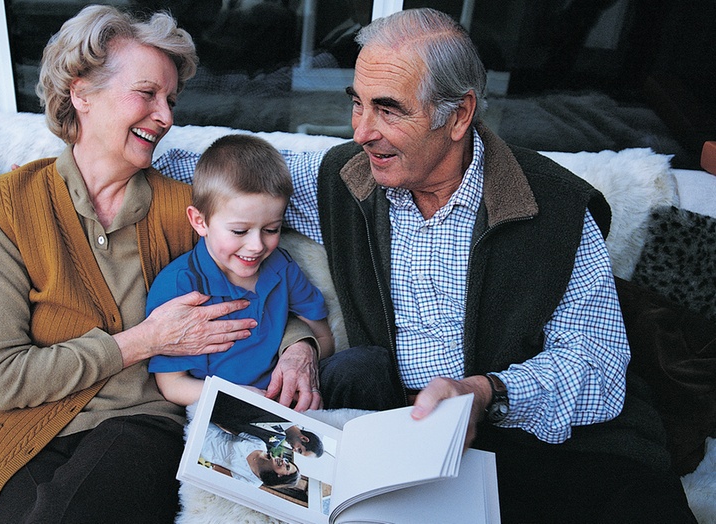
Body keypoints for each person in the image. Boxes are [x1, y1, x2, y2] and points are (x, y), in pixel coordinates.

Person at [156, 8, 696, 522]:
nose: (362, 130)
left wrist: (482, 392)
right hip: (397, 430)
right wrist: (119, 133)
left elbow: (596, 367)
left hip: (529, 432)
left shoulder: (554, 206)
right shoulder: (349, 179)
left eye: (389, 109)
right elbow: (218, 180)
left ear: (458, 115)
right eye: (357, 103)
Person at [0, 6, 321, 524]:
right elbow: (3, 379)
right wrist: (143, 341)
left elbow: (262, 289)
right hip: (20, 431)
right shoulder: (10, 207)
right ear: (81, 93)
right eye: (147, 94)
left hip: (142, 424)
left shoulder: (185, 210)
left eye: (170, 99)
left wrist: (298, 347)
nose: (166, 117)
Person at [147, 134, 335, 407]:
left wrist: (301, 350)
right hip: (217, 411)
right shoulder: (178, 285)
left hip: (290, 405)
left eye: (272, 230)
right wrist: (236, 397)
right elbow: (173, 385)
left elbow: (324, 339)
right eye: (239, 231)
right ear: (200, 221)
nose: (257, 246)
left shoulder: (282, 267)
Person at [210, 391, 325, 458]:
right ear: (304, 439)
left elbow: (238, 433)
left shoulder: (273, 444)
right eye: (299, 450)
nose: (294, 450)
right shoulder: (289, 408)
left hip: (215, 416)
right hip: (226, 394)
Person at [200, 422, 301, 488]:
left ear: (280, 477)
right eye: (288, 462)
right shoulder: (260, 444)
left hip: (200, 450)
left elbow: (217, 470)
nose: (284, 461)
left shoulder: (253, 482)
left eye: (287, 467)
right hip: (207, 428)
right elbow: (230, 428)